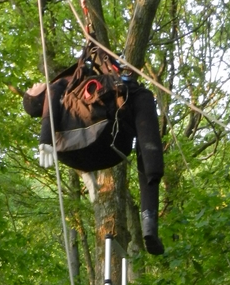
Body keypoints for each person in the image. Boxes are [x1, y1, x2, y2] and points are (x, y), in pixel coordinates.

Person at [23, 45, 165, 256]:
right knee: (141, 97)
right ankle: (149, 220)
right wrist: (45, 138)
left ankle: (149, 222)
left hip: (89, 151)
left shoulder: (62, 125)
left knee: (136, 117)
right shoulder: (56, 90)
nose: (33, 84)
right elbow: (51, 99)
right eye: (31, 90)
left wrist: (86, 175)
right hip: (101, 132)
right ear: (37, 99)